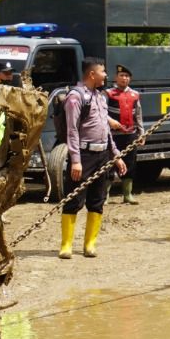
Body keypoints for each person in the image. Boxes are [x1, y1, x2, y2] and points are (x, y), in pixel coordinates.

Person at [59, 58, 125, 259]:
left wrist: (116, 156)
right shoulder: (75, 97)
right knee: (73, 199)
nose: (106, 75)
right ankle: (66, 245)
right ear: (92, 74)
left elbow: (106, 131)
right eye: (103, 71)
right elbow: (72, 130)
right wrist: (76, 160)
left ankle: (89, 245)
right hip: (84, 155)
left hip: (102, 154)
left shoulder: (101, 96)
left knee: (98, 200)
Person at [106, 64, 144, 204]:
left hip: (130, 135)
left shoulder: (135, 95)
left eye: (127, 76)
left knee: (130, 164)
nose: (124, 78)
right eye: (121, 76)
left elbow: (138, 115)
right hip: (113, 136)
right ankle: (105, 196)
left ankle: (127, 195)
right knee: (109, 165)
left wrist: (141, 133)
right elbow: (102, 112)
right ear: (116, 77)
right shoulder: (109, 93)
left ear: (130, 79)